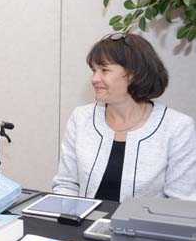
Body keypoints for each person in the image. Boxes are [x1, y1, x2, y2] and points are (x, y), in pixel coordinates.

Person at [52, 33, 196, 202]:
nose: (94, 79)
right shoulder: (81, 118)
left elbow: (181, 203)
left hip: (146, 228)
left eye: (104, 70)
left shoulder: (178, 127)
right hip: (81, 226)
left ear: (134, 74)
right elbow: (66, 184)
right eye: (94, 70)